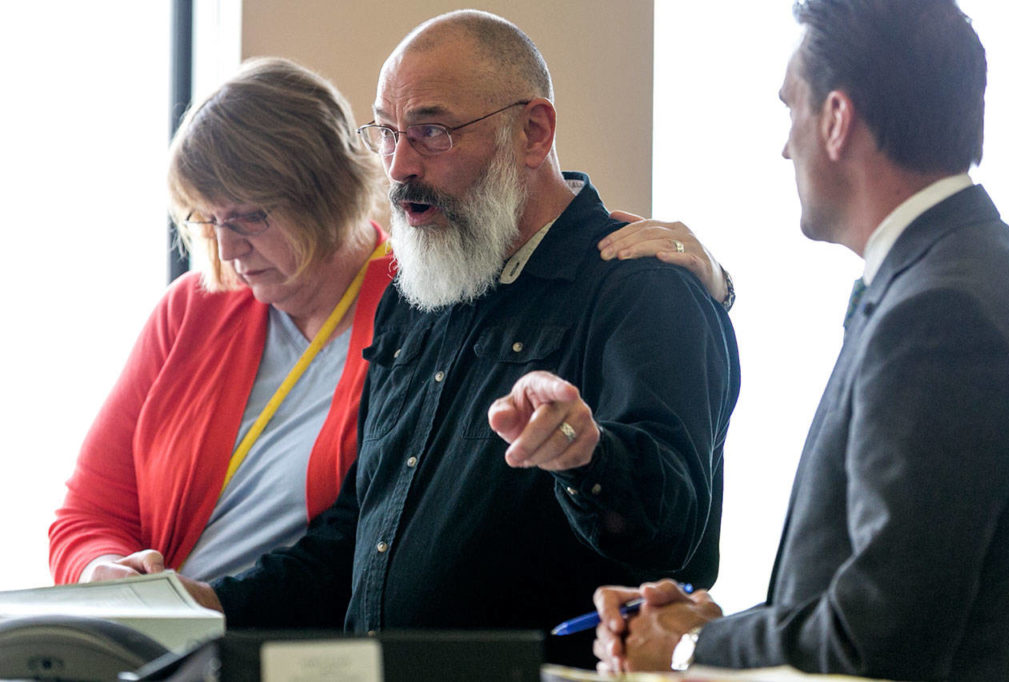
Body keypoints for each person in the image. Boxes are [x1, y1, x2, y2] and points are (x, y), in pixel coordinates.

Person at [115, 9, 741, 667]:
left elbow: (671, 536)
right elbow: (355, 536)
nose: (400, 166)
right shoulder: (419, 295)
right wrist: (209, 605)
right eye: (387, 134)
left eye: (431, 132)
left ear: (532, 132)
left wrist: (586, 458)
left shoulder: (641, 287)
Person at [593, 0, 1009, 679]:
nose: (783, 144)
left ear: (836, 119)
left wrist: (684, 650)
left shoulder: (940, 311)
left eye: (789, 107)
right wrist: (716, 629)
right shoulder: (960, 270)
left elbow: (881, 636)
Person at [48, 57, 395, 585]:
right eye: (209, 220)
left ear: (331, 192)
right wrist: (101, 569)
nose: (227, 248)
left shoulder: (417, 315)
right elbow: (89, 514)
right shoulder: (191, 308)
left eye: (250, 216)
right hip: (166, 639)